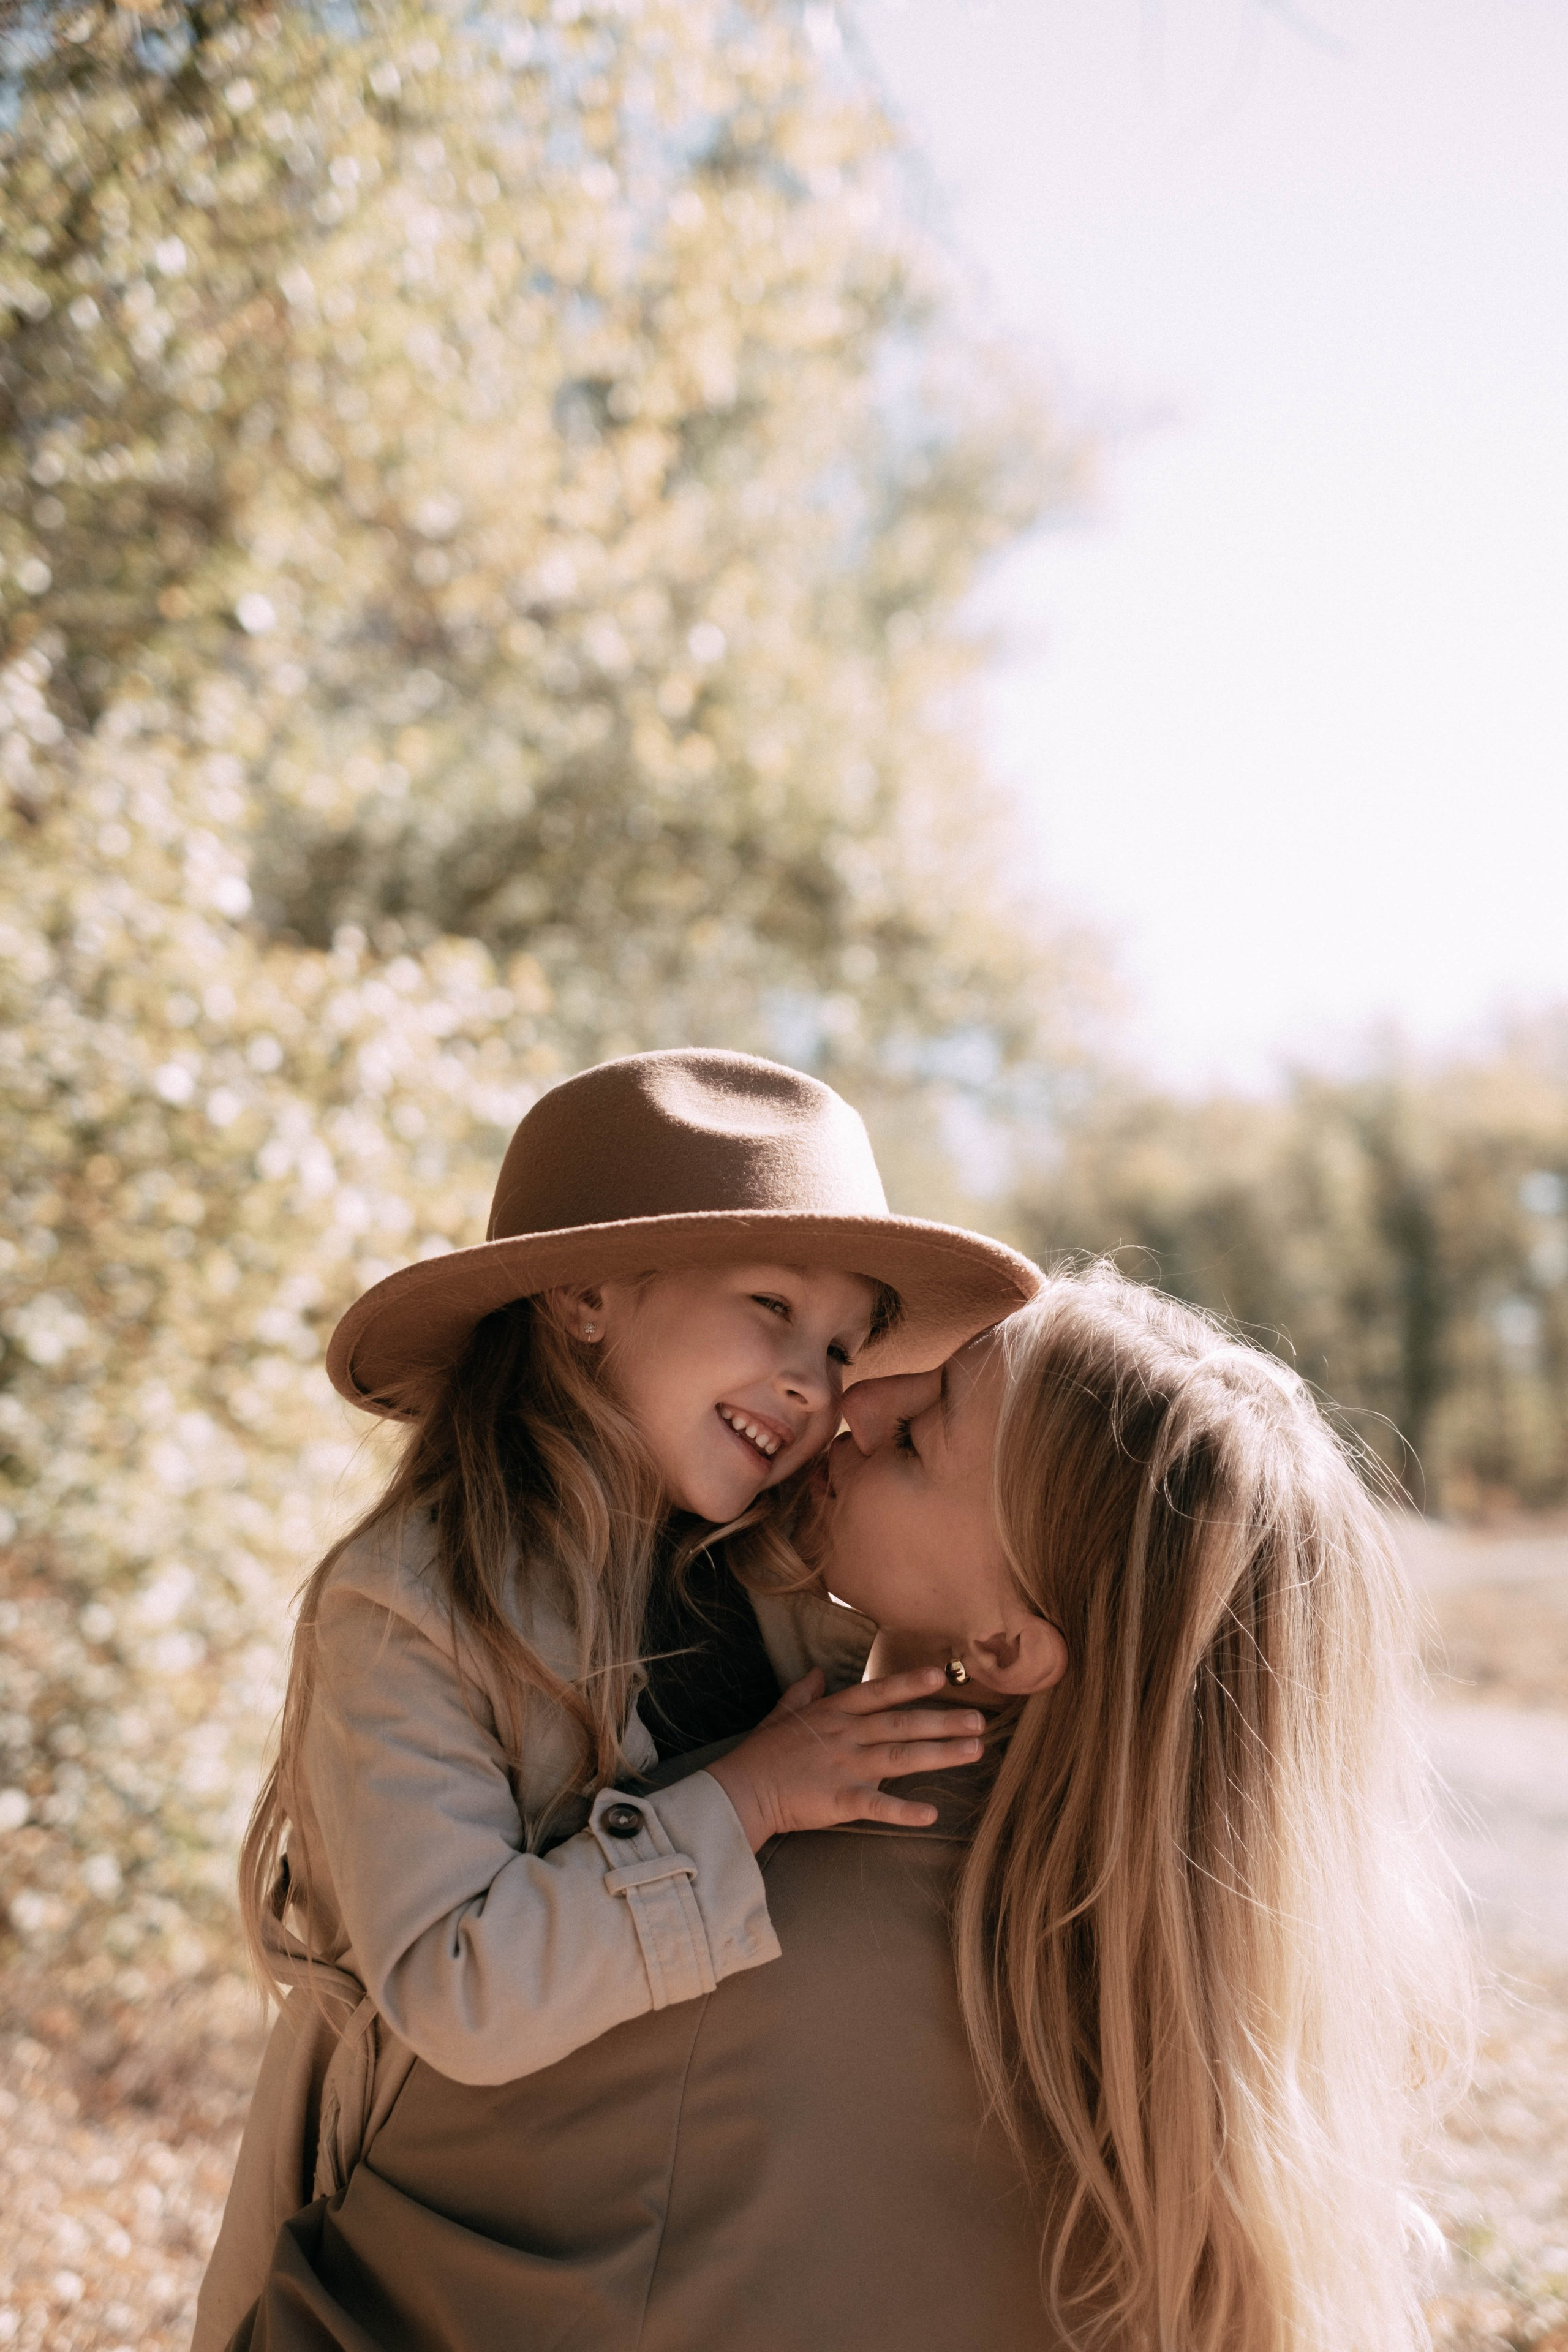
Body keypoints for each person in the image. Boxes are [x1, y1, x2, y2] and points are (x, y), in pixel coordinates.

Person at [228, 1265, 1467, 2352]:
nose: (848, 1405)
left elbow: (402, 2239)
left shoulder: (770, 1898)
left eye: (916, 1432)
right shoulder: (1210, 1981)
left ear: (1007, 1640)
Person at [191, 1047, 1038, 2352]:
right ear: (586, 1295)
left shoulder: (764, 1575)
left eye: (841, 1346)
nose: (816, 1384)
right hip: (430, 2233)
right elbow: (462, 1991)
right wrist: (745, 1796)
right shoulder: (413, 1606)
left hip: (641, 2222)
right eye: (770, 1308)